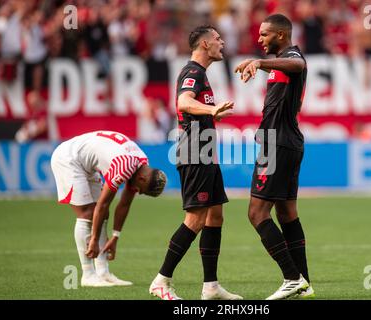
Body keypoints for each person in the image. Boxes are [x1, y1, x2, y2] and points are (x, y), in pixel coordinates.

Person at [149, 25, 242, 300]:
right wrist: (211, 109)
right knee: (195, 219)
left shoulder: (202, 74)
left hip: (205, 154)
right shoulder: (192, 72)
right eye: (217, 38)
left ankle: (211, 287)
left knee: (215, 216)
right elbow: (183, 102)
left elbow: (193, 108)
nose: (222, 42)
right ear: (204, 44)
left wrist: (211, 115)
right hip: (194, 154)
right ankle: (161, 280)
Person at [235, 14, 314, 300]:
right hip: (284, 142)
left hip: (278, 145)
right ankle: (304, 282)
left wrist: (259, 62)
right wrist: (260, 64)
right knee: (286, 212)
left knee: (256, 213)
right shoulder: (280, 62)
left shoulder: (292, 56)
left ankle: (292, 278)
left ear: (281, 35)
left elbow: (299, 64)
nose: (259, 39)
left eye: (264, 34)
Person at [51, 130, 166, 287]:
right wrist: (94, 239)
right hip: (69, 158)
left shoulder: (141, 164)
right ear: (142, 179)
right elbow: (102, 205)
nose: (138, 192)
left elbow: (124, 204)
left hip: (86, 163)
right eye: (141, 190)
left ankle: (103, 273)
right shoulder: (124, 167)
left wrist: (115, 236)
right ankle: (88, 275)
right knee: (87, 213)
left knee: (103, 215)